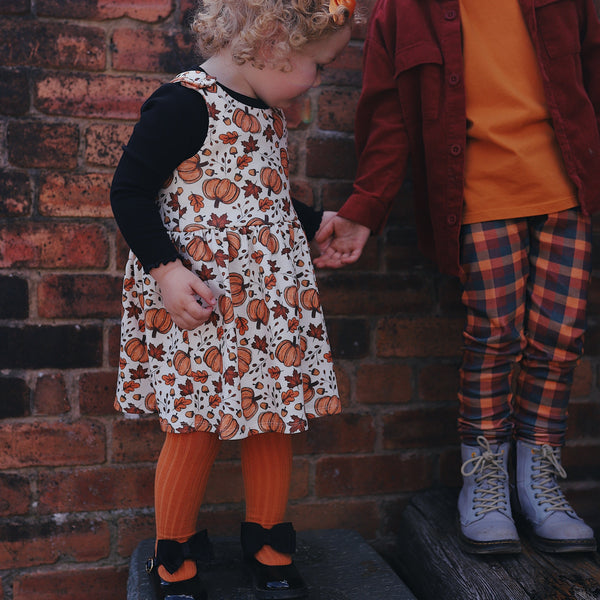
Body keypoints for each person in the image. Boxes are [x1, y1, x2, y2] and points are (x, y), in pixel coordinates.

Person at [315, 0, 600, 555]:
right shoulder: (403, 10)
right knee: (495, 335)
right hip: (479, 193)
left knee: (560, 340)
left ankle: (538, 481)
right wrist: (366, 207)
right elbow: (388, 114)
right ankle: (486, 481)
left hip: (566, 186)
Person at [110, 1, 356, 598]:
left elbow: (259, 199)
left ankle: (268, 544)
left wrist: (316, 220)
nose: (319, 79)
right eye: (317, 65)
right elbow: (130, 190)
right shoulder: (183, 104)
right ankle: (174, 557)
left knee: (273, 417)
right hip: (201, 307)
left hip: (268, 309)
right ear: (272, 42)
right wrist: (166, 271)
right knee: (193, 427)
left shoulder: (269, 115)